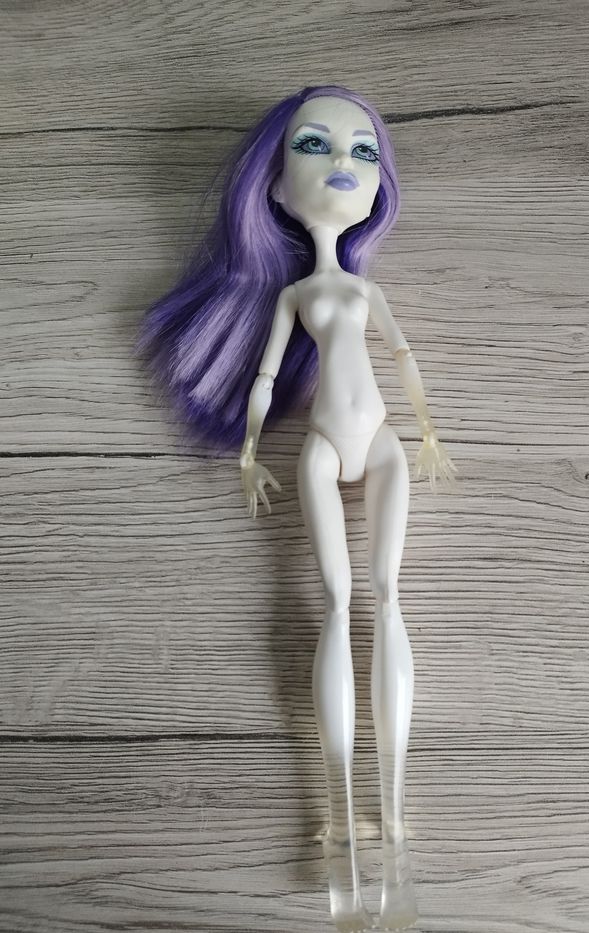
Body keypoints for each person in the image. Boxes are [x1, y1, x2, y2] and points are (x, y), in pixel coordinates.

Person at [137, 85, 457, 933]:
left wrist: (426, 431)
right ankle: (339, 818)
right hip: (318, 446)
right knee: (337, 599)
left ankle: (394, 818)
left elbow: (403, 356)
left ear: (380, 183)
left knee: (386, 594)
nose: (344, 162)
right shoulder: (293, 295)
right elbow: (268, 376)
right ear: (275, 189)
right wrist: (249, 451)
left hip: (381, 443)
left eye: (364, 151)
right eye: (315, 145)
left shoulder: (364, 289)